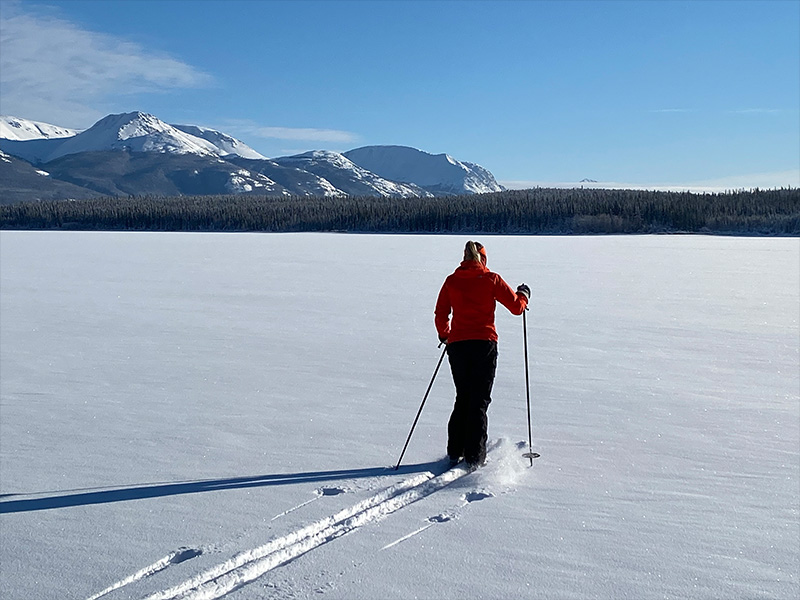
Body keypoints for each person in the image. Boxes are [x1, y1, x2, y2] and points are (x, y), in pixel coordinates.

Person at [434, 240, 530, 468]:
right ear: (483, 259)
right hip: (484, 344)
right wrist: (523, 295)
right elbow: (517, 308)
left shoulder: (452, 281)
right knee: (478, 401)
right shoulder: (491, 279)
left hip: (457, 346)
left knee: (463, 398)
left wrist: (445, 335)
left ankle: (455, 451)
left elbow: (441, 313)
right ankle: (475, 457)